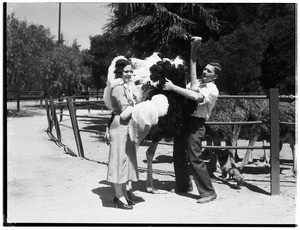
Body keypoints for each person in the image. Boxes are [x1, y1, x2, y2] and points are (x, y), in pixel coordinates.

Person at [163, 62, 221, 204]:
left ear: (215, 76)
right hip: (185, 120)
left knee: (194, 156)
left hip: (196, 123)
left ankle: (208, 192)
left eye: (209, 71)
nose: (205, 72)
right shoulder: (195, 82)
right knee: (178, 154)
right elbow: (185, 94)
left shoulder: (212, 89)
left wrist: (173, 87)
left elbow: (197, 97)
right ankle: (183, 185)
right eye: (205, 69)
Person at [105, 58, 144, 210]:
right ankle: (118, 195)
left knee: (126, 159)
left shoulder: (127, 87)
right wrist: (140, 108)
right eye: (126, 71)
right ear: (119, 72)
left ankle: (123, 194)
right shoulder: (117, 88)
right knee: (119, 159)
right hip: (120, 125)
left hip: (126, 127)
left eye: (130, 71)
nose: (128, 74)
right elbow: (124, 112)